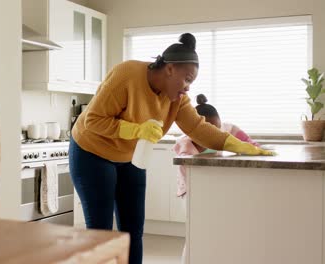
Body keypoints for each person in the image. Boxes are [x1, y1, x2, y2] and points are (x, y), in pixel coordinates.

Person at [68, 33, 273, 264]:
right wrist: (136, 130)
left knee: (132, 231)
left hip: (130, 157)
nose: (187, 88)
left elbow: (198, 128)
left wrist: (240, 146)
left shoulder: (177, 99)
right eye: (187, 79)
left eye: (191, 82)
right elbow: (92, 121)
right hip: (92, 152)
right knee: (101, 232)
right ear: (169, 69)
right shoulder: (126, 75)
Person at [173, 93, 260, 198]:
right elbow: (185, 177)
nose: (214, 135)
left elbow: (247, 141)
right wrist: (186, 193)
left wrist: (257, 148)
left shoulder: (226, 129)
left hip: (215, 182)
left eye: (217, 130)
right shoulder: (186, 147)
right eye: (208, 132)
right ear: (194, 131)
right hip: (193, 189)